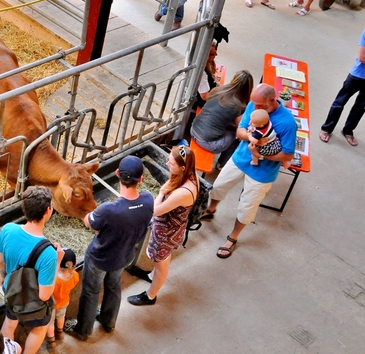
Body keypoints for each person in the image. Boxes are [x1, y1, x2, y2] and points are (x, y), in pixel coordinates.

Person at [201, 84, 297, 259]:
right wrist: (252, 138)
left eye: (259, 105)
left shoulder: (287, 123)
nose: (255, 107)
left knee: (247, 206)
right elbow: (240, 131)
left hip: (263, 172)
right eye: (254, 103)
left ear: (272, 100)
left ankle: (233, 237)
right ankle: (211, 209)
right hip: (240, 158)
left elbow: (288, 154)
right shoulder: (254, 105)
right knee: (219, 185)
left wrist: (261, 154)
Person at [68, 156, 154, 340]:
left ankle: (83, 331)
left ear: (117, 174)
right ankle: (108, 321)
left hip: (100, 258)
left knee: (91, 291)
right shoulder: (148, 200)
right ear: (141, 179)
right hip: (125, 255)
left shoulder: (108, 209)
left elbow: (89, 222)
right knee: (114, 286)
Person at [0, 185, 63, 354]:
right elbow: (44, 295)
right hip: (32, 301)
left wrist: (4, 278)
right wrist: (58, 263)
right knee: (40, 327)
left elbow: (0, 261)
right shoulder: (48, 253)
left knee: (10, 323)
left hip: (11, 289)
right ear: (48, 211)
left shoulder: (8, 229)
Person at [128, 145, 198, 306]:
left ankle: (150, 296)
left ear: (182, 167)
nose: (167, 164)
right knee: (163, 258)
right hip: (172, 227)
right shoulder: (189, 174)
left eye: (171, 163)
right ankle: (151, 276)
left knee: (161, 264)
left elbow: (155, 211)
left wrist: (161, 192)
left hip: (167, 233)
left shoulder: (183, 192)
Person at [190, 70, 254, 166]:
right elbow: (239, 125)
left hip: (193, 129)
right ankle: (221, 163)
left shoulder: (218, 90)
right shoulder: (240, 105)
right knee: (237, 134)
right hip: (207, 142)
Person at [320, 28, 365, 146]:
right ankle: (327, 129)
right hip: (357, 76)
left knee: (361, 107)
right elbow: (362, 57)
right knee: (339, 103)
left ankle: (348, 131)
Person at [44, 247, 79, 354]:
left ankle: (51, 342)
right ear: (75, 264)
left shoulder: (54, 279)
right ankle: (60, 333)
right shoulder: (75, 276)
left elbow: (48, 290)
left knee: (50, 323)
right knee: (61, 317)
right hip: (64, 302)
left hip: (51, 305)